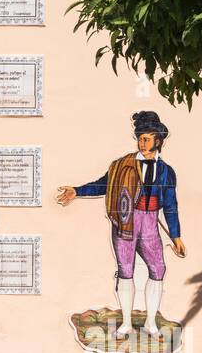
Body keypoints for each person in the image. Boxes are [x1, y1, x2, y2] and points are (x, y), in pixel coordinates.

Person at [56, 111, 186, 340]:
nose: (143, 142)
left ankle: (150, 324)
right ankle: (126, 323)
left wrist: (175, 236)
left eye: (147, 138)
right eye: (140, 138)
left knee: (158, 269)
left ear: (159, 141)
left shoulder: (167, 171)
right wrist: (77, 191)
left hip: (150, 223)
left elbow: (171, 206)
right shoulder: (121, 165)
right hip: (125, 220)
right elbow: (103, 185)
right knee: (126, 271)